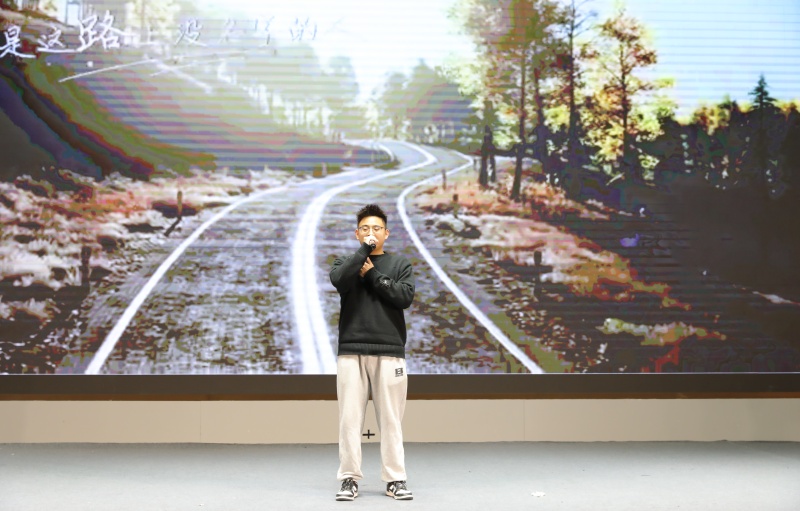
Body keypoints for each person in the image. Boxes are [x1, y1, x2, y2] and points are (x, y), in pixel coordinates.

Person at [329, 203, 416, 501]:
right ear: (357, 234)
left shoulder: (399, 264)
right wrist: (363, 255)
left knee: (391, 420)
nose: (371, 233)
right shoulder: (346, 262)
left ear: (386, 233)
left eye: (376, 228)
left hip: (390, 351)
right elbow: (339, 280)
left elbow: (404, 297)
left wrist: (373, 275)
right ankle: (349, 478)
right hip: (351, 350)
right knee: (349, 420)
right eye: (365, 229)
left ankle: (395, 479)